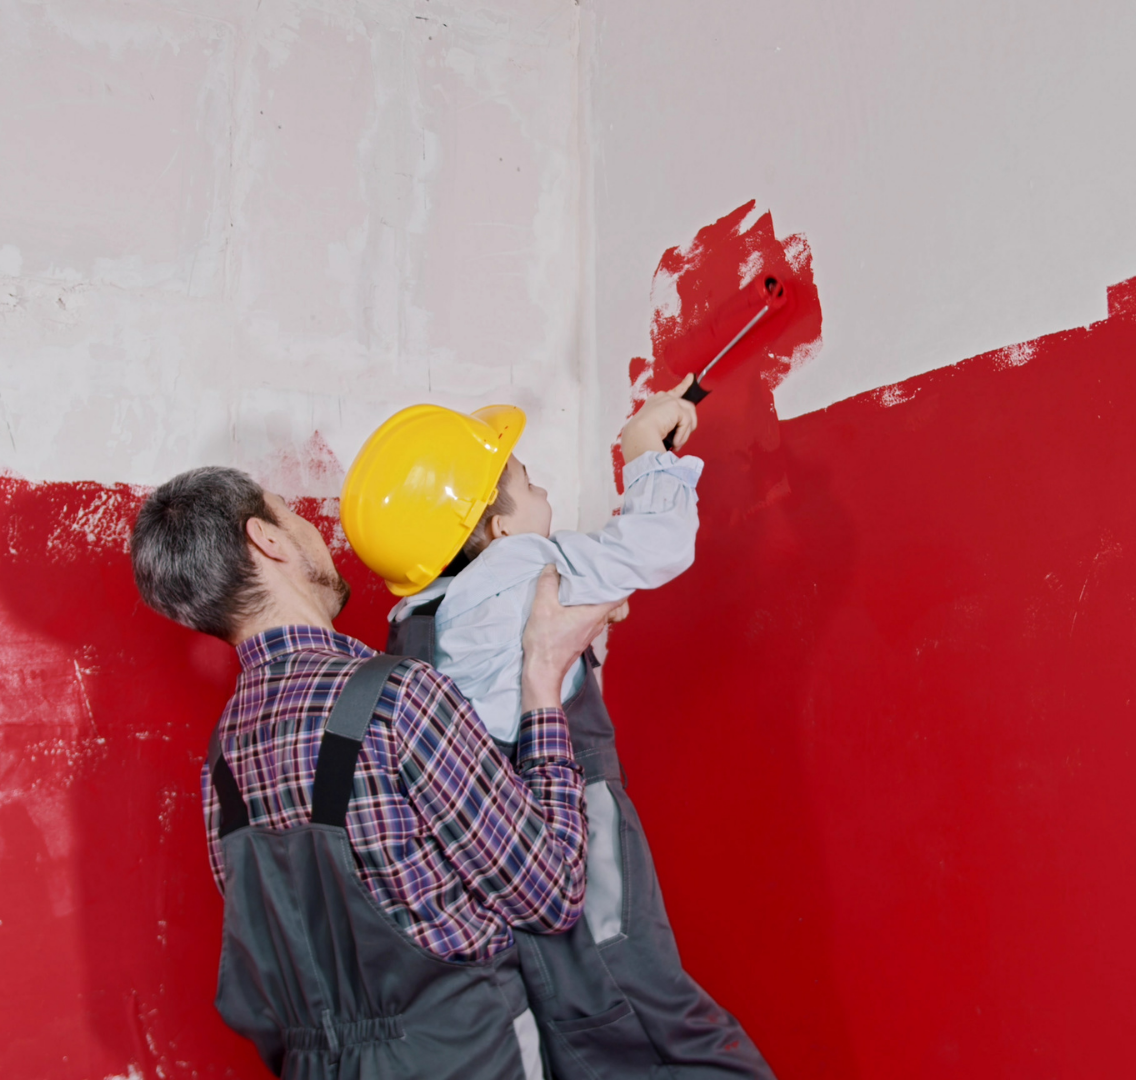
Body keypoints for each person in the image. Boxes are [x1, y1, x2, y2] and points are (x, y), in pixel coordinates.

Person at [340, 377, 775, 1079]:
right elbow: (656, 545)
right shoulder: (520, 564)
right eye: (527, 480)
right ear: (497, 526)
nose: (541, 489)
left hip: (497, 848)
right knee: (640, 994)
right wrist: (645, 456)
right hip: (568, 807)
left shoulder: (413, 621)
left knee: (572, 1010)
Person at [130, 465, 621, 1079]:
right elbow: (549, 896)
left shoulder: (225, 757)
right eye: (292, 514)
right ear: (268, 539)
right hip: (462, 1056)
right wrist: (542, 679)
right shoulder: (398, 698)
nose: (313, 529)